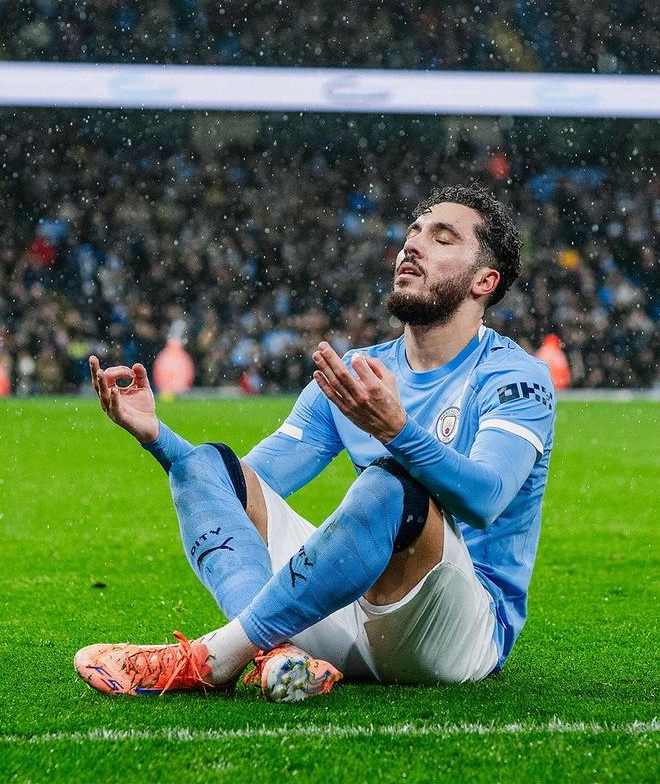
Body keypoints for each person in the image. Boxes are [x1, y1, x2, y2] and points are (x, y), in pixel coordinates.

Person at [75, 183, 555, 702]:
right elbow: (239, 497)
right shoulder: (356, 371)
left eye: (442, 239)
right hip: (348, 613)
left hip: (454, 633)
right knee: (206, 466)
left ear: (485, 280)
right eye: (413, 233)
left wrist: (397, 431)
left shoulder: (514, 376)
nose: (413, 246)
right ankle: (276, 658)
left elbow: (486, 499)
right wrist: (158, 439)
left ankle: (215, 657)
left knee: (389, 486)